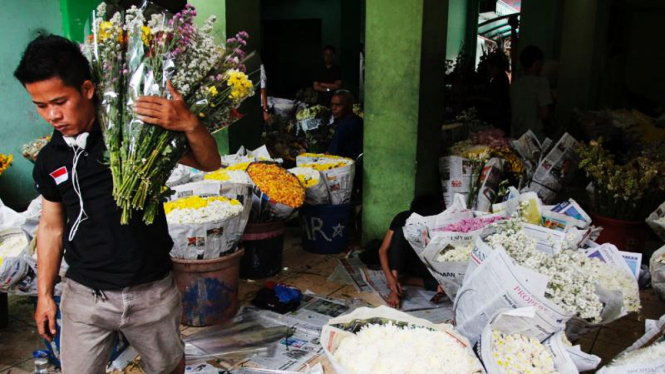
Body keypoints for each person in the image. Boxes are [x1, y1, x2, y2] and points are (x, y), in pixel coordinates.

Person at [15, 35, 221, 374]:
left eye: (60, 101)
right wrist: (45, 295)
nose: (52, 114)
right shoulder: (50, 158)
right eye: (40, 105)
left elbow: (209, 162)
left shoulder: (134, 133)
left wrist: (188, 122)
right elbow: (51, 228)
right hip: (85, 295)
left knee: (168, 368)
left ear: (87, 89)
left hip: (150, 291)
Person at [378, 194, 444, 308]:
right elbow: (382, 250)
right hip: (403, 262)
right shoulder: (402, 218)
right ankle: (395, 289)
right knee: (399, 234)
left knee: (443, 285)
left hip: (423, 264)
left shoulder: (438, 222)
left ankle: (406, 279)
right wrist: (391, 280)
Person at [510, 45, 553, 141]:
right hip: (535, 138)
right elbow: (544, 114)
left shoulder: (515, 85)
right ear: (537, 64)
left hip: (517, 137)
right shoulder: (541, 83)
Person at [327, 90, 363, 161]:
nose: (334, 108)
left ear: (349, 106)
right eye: (332, 105)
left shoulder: (345, 125)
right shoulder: (357, 120)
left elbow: (329, 155)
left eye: (338, 105)